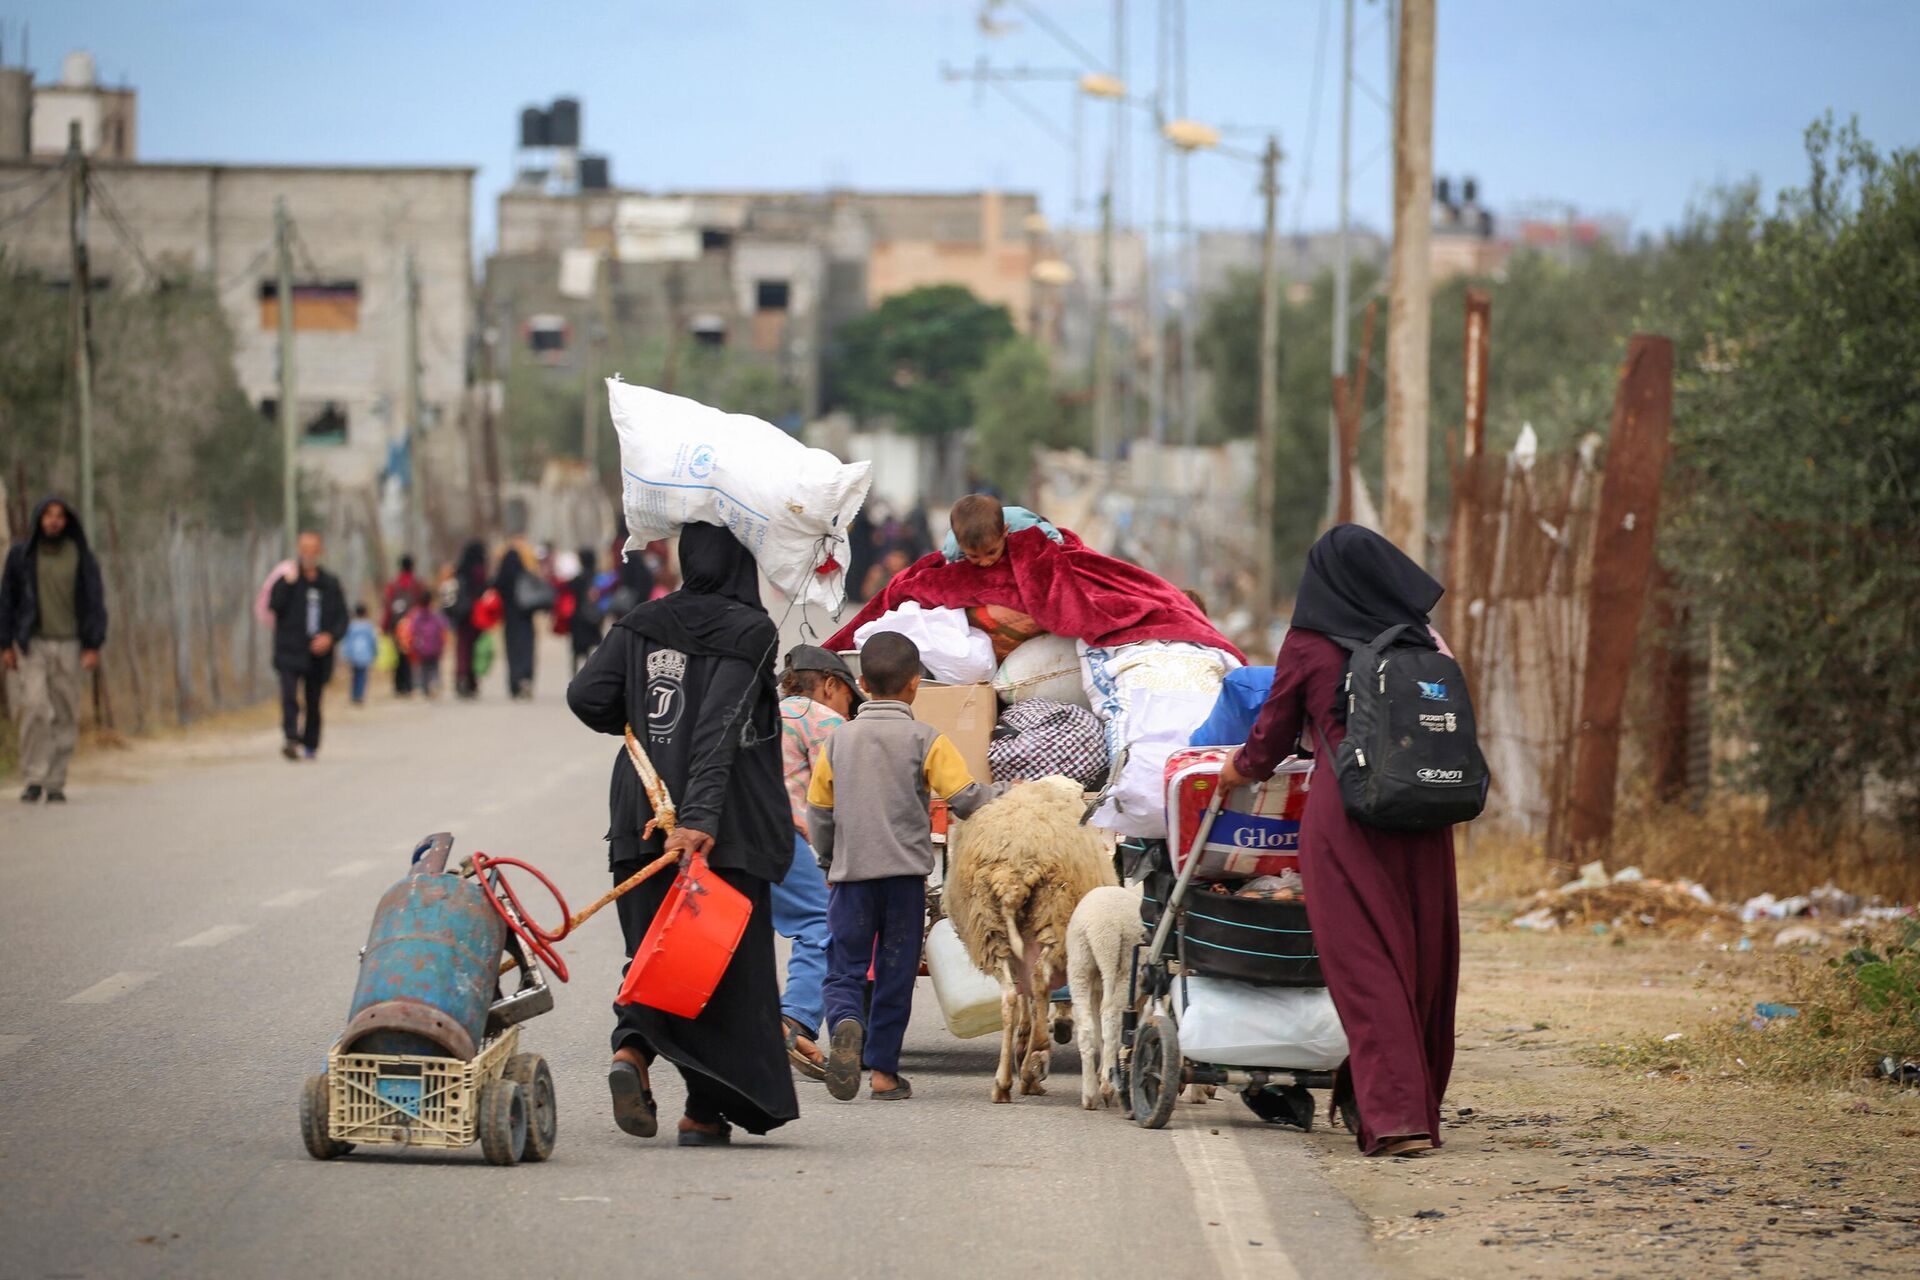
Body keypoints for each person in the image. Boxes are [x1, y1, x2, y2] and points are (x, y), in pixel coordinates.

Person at [1217, 525, 1459, 1158]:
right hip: (1426, 819)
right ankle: (1395, 1101)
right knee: (1421, 961)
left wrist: (1232, 771)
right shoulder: (1422, 638)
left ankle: (1397, 1117)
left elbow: (1270, 739)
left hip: (1348, 820)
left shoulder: (1309, 642)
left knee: (1364, 964)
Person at [567, 522, 797, 1147]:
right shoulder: (750, 632)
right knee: (717, 968)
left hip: (639, 815)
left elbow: (587, 696)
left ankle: (633, 1056)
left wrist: (642, 708)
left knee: (655, 954)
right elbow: (719, 726)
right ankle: (701, 1112)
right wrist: (698, 819)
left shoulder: (644, 620)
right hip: (717, 829)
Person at [805, 631, 1005, 1102]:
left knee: (844, 968)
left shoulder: (839, 741)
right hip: (904, 883)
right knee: (894, 972)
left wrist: (831, 859)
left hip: (851, 879)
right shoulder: (926, 739)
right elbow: (965, 799)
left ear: (861, 683)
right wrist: (1010, 795)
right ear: (916, 684)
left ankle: (846, 1027)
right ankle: (883, 1073)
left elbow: (819, 810)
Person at [774, 645, 863, 1079]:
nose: (848, 711)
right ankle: (794, 1020)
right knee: (820, 924)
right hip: (783, 838)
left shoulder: (764, 713)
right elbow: (835, 798)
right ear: (830, 685)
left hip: (730, 836)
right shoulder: (825, 721)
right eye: (849, 698)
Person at [0, 496, 107, 803]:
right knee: (34, 707)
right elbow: (6, 600)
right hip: (32, 643)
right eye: (48, 515)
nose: (53, 521)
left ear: (67, 521)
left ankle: (55, 780)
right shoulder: (21, 556)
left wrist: (93, 644)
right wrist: (5, 643)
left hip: (71, 644)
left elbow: (95, 602)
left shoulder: (82, 557)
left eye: (59, 515)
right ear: (38, 520)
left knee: (65, 713)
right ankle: (34, 776)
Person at [269, 531, 348, 761]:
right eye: (304, 547)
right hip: (290, 649)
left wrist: (330, 637)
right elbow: (275, 607)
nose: (308, 553)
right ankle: (291, 738)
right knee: (289, 695)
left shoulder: (330, 584)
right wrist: (287, 584)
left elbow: (342, 618)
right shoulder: (286, 580)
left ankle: (311, 743)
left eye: (312, 547)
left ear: (320, 550)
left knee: (314, 700)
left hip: (318, 653)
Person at [942, 494, 1064, 567]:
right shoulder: (953, 547)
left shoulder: (1023, 524)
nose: (985, 563)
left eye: (991, 552)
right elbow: (949, 567)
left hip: (1023, 522)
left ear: (1004, 532)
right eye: (974, 556)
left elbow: (1056, 538)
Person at [494, 535, 546, 700]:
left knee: (512, 651)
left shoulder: (502, 578)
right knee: (527, 649)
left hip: (510, 619)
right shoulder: (525, 574)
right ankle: (526, 678)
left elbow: (493, 589)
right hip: (526, 619)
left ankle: (515, 683)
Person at [450, 541, 489, 699]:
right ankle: (471, 681)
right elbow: (484, 590)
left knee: (461, 647)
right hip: (475, 615)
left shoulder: (459, 570)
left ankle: (461, 678)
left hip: (460, 614)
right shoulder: (479, 570)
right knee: (473, 649)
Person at [381, 555, 422, 698]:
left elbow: (387, 606)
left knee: (398, 655)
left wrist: (384, 626)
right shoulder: (417, 584)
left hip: (395, 624)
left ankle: (399, 686)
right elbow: (422, 604)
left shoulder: (393, 584)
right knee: (409, 655)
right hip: (412, 624)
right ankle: (409, 685)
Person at [405, 588, 449, 699]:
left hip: (422, 647)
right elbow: (444, 627)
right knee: (434, 667)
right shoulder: (436, 614)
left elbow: (411, 630)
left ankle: (425, 688)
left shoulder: (416, 616)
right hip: (435, 646)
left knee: (423, 668)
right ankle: (435, 682)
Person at [568, 547, 606, 674]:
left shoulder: (577, 579)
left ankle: (576, 675)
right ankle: (592, 673)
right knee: (595, 647)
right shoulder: (599, 578)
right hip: (595, 617)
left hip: (578, 618)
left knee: (577, 650)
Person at [342, 604, 379, 706]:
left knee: (354, 676)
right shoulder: (368, 626)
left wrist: (345, 654)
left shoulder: (351, 626)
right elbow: (373, 641)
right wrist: (375, 652)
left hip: (353, 655)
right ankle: (359, 695)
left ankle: (354, 695)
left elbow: (347, 641)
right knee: (362, 676)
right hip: (365, 655)